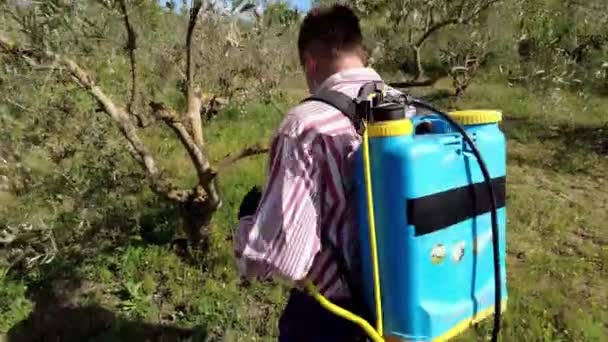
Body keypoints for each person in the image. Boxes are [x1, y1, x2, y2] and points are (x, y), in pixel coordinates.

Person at [234, 4, 401, 341]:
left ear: (310, 62)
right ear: (360, 51)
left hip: (332, 317)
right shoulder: (402, 106)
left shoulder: (304, 125)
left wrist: (246, 229)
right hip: (397, 305)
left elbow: (286, 259)